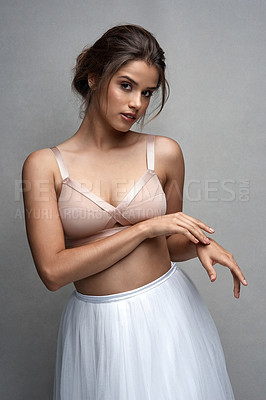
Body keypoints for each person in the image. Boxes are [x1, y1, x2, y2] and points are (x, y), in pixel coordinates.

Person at [22, 24, 247, 400]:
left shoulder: (165, 153)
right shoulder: (44, 166)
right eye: (126, 86)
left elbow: (170, 241)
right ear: (93, 77)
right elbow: (52, 272)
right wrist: (144, 229)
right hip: (98, 326)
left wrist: (199, 243)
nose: (137, 104)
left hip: (168, 313)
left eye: (147, 92)